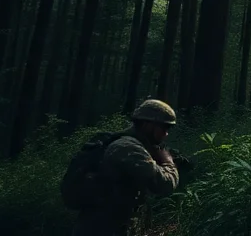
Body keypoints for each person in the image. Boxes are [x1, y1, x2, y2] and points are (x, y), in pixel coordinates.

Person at [72, 99, 181, 236]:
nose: (166, 134)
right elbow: (164, 184)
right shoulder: (128, 148)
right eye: (164, 128)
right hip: (103, 227)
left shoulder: (130, 145)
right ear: (148, 125)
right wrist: (168, 162)